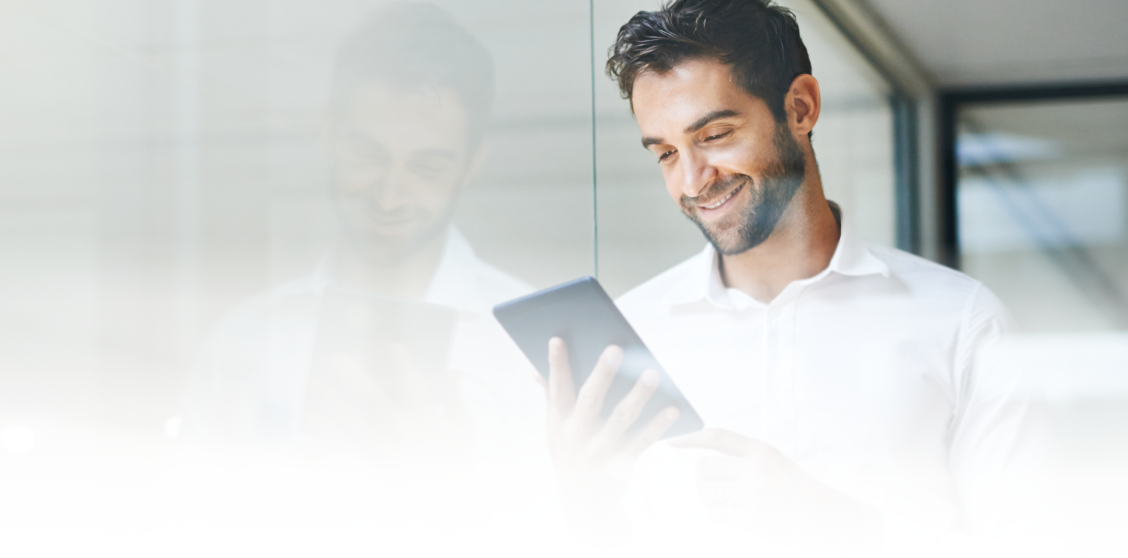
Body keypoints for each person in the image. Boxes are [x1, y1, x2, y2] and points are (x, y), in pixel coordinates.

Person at [542, 0, 1033, 554]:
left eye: (714, 135)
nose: (692, 181)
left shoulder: (961, 323)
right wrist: (579, 507)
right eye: (665, 154)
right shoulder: (630, 333)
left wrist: (840, 525)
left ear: (800, 107)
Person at [183, 2, 543, 475]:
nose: (390, 196)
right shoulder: (242, 342)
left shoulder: (533, 352)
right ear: (327, 132)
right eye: (366, 154)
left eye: (427, 166)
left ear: (473, 163)